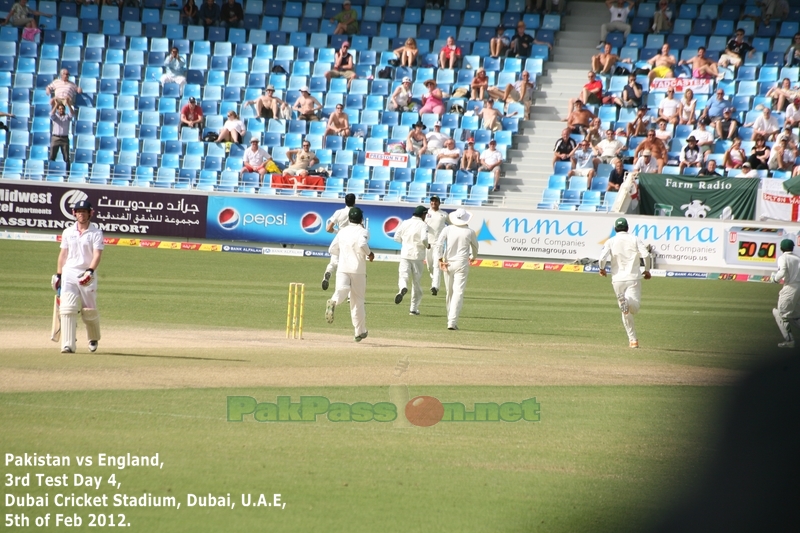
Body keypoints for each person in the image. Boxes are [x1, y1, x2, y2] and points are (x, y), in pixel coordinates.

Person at [52, 199, 104, 354]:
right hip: (69, 272)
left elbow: (97, 255)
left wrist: (90, 271)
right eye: (79, 211)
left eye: (84, 212)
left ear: (90, 213)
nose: (81, 214)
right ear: (74, 213)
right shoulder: (68, 231)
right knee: (67, 308)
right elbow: (63, 254)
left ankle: (93, 337)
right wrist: (59, 274)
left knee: (89, 309)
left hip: (86, 273)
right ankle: (68, 344)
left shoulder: (96, 232)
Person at [598, 217, 652, 349]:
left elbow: (602, 257)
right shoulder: (635, 239)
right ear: (627, 228)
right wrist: (647, 270)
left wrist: (602, 268)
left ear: (616, 229)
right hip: (632, 277)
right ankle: (626, 301)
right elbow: (646, 255)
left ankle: (633, 340)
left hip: (617, 280)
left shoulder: (611, 241)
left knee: (625, 311)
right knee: (634, 308)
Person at [325, 207, 374, 343]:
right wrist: (369, 254)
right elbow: (362, 243)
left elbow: (332, 249)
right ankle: (359, 331)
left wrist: (344, 254)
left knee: (341, 290)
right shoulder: (363, 231)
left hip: (342, 267)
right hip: (358, 269)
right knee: (357, 300)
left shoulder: (342, 231)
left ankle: (334, 301)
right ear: (361, 219)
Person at [436, 208, 479, 331]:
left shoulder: (448, 229)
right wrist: (473, 257)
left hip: (448, 262)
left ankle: (451, 319)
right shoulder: (470, 232)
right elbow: (475, 247)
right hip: (461, 263)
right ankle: (452, 321)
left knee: (450, 292)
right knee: (457, 292)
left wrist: (440, 259)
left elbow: (439, 244)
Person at [393, 206, 431, 316]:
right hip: (417, 256)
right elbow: (424, 239)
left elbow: (396, 237)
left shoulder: (405, 222)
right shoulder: (423, 225)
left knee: (403, 275)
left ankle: (403, 288)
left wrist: (405, 243)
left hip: (405, 254)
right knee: (416, 282)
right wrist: (427, 245)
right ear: (423, 214)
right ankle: (413, 308)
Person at [322, 193, 357, 291]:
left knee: (333, 261)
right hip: (351, 240)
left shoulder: (339, 212)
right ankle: (350, 295)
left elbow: (328, 228)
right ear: (354, 202)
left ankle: (328, 272)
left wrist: (338, 231)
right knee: (351, 266)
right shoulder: (356, 213)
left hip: (339, 238)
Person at [770, 239, 800, 348]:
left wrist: (775, 279)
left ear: (781, 248)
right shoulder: (797, 258)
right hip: (798, 288)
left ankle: (790, 341)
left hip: (790, 288)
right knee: (795, 316)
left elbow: (782, 271)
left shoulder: (783, 258)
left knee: (781, 314)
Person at [425, 196, 448, 297]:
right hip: (427, 244)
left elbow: (453, 224)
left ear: (439, 203)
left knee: (436, 265)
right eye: (432, 201)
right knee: (430, 266)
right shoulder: (426, 214)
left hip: (439, 244)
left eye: (435, 201)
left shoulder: (444, 214)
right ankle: (434, 279)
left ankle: (435, 286)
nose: (433, 202)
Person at [49, 103, 72, 169]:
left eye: (62, 109)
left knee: (66, 157)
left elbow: (72, 114)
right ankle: (51, 171)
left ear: (64, 109)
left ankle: (67, 173)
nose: (61, 110)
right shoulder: (55, 117)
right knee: (52, 156)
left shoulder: (67, 117)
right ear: (57, 110)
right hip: (55, 138)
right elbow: (51, 114)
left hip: (64, 138)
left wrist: (69, 105)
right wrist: (56, 104)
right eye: (59, 109)